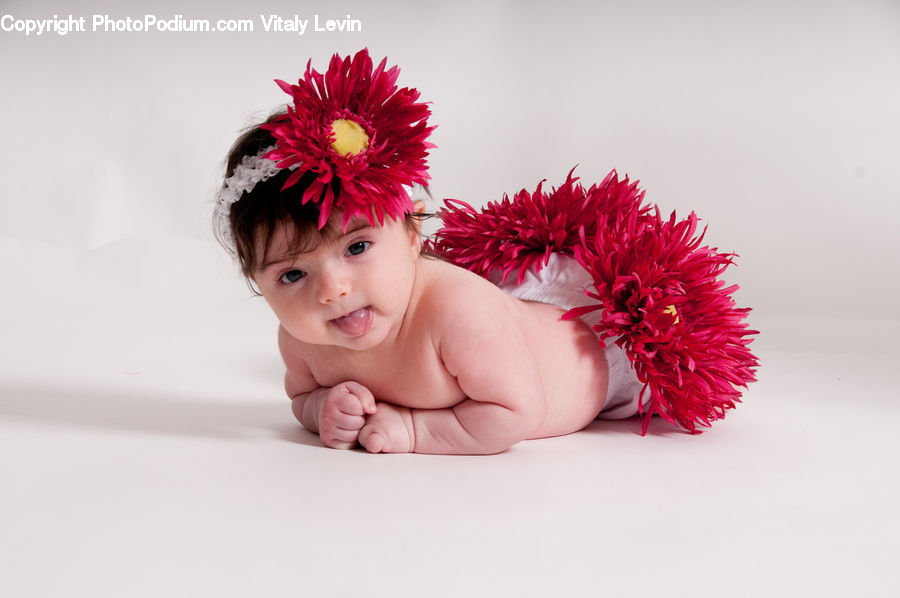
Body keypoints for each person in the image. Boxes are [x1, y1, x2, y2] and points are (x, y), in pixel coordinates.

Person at [213, 49, 757, 454]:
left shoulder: (456, 314)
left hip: (598, 351)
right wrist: (321, 410)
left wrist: (414, 429)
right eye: (291, 276)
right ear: (256, 284)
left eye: (357, 246)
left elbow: (517, 413)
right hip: (502, 340)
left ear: (411, 235)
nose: (332, 289)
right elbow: (301, 399)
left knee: (651, 334)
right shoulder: (301, 341)